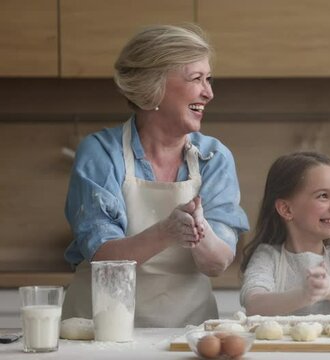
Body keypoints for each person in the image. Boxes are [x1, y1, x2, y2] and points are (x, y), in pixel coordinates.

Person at [61, 24, 249, 327]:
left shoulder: (215, 158)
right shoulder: (101, 154)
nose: (209, 92)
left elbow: (216, 264)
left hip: (186, 335)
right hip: (98, 331)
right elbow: (104, 259)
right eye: (196, 79)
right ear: (154, 85)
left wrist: (197, 229)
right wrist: (167, 231)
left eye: (209, 79)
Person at [240, 151, 330, 316]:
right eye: (323, 196)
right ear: (286, 209)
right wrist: (304, 295)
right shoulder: (267, 256)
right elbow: (254, 305)